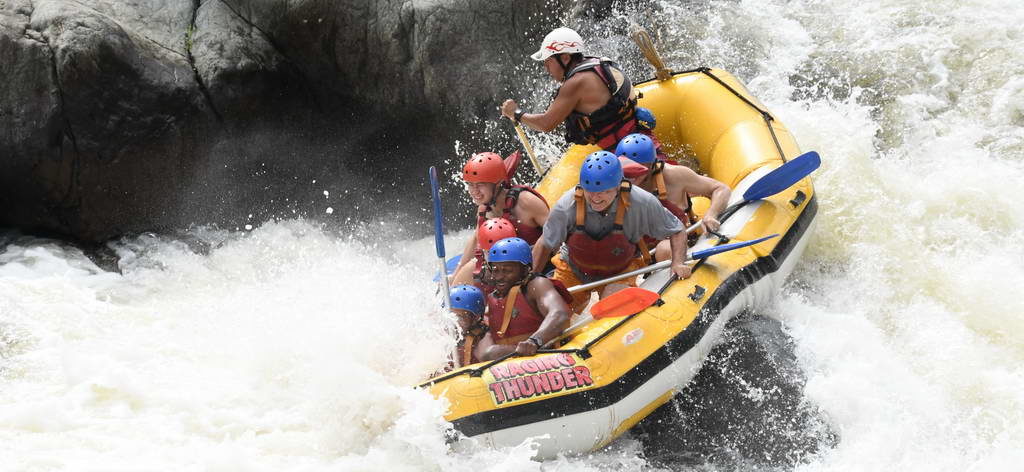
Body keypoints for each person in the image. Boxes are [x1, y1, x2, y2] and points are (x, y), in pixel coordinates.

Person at [531, 151, 692, 314]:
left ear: (618, 186)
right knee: (553, 311)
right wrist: (533, 279)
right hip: (573, 267)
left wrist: (677, 262)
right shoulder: (567, 205)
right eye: (590, 191)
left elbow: (677, 230)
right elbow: (545, 242)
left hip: (619, 270)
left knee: (613, 303)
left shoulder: (641, 201)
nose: (595, 198)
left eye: (603, 191)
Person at [499, 27, 639, 151]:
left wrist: (515, 112)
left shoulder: (574, 83)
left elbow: (546, 124)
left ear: (565, 58)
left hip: (624, 152)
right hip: (638, 139)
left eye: (548, 62)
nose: (546, 68)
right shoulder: (597, 63)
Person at [615, 133, 732, 260]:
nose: (630, 175)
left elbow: (721, 188)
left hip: (676, 241)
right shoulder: (611, 188)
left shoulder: (674, 175)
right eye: (626, 168)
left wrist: (711, 214)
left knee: (664, 249)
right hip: (642, 252)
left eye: (638, 168)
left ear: (652, 165)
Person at [451, 152, 549, 288]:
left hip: (541, 266)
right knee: (472, 267)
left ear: (497, 184)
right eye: (470, 185)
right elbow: (476, 240)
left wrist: (531, 274)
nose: (474, 191)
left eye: (480, 184)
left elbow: (555, 231)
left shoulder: (525, 201)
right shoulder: (483, 210)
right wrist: (455, 274)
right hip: (507, 270)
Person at [474, 237, 573, 361]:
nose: (499, 277)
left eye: (508, 271)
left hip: (549, 355)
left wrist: (534, 341)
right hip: (515, 365)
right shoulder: (492, 300)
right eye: (495, 270)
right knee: (490, 352)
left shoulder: (536, 285)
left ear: (526, 269)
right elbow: (486, 351)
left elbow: (560, 314)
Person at [449, 284, 488, 367]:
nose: (455, 322)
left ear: (475, 318)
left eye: (460, 317)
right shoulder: (441, 336)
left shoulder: (483, 339)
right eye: (451, 316)